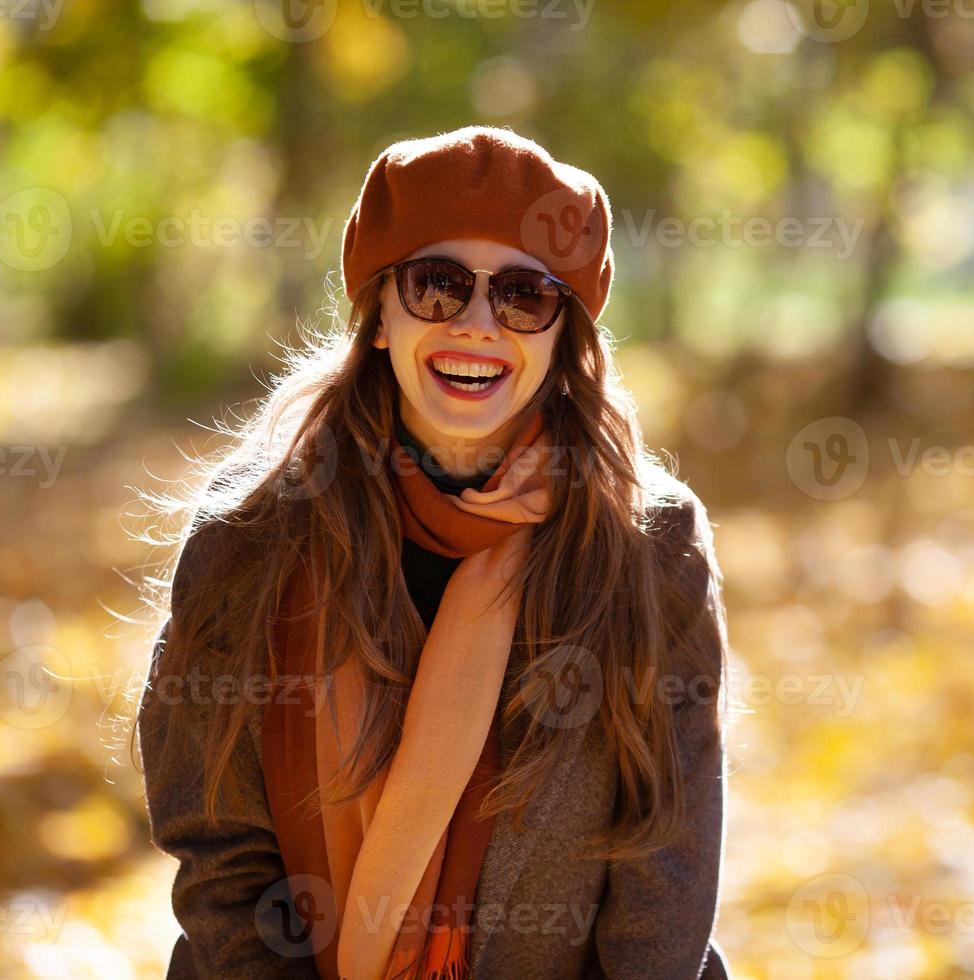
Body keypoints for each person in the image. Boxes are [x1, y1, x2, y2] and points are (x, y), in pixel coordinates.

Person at [135, 125, 732, 979]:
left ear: (563, 336)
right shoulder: (256, 529)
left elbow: (665, 864)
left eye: (525, 295)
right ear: (378, 314)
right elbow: (216, 843)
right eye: (438, 285)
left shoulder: (646, 543)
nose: (480, 326)